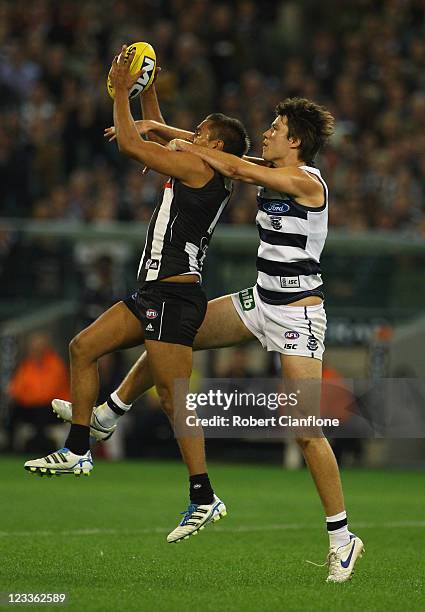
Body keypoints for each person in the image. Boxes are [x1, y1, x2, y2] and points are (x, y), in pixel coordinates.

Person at [53, 96, 364, 581]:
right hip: (258, 301)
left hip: (298, 317)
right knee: (176, 333)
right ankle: (110, 412)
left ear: (296, 141)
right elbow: (222, 154)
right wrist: (161, 128)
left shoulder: (306, 181)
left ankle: (342, 539)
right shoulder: (264, 164)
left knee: (305, 431)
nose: (267, 132)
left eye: (277, 127)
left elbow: (231, 166)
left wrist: (175, 140)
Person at [25, 46, 250, 543]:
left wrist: (123, 93)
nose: (189, 135)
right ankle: (79, 448)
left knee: (174, 399)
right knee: (83, 346)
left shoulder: (201, 169)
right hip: (153, 291)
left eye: (200, 133)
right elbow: (159, 130)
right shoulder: (198, 165)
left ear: (213, 142)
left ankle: (203, 495)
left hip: (176, 296)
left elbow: (129, 143)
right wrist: (148, 92)